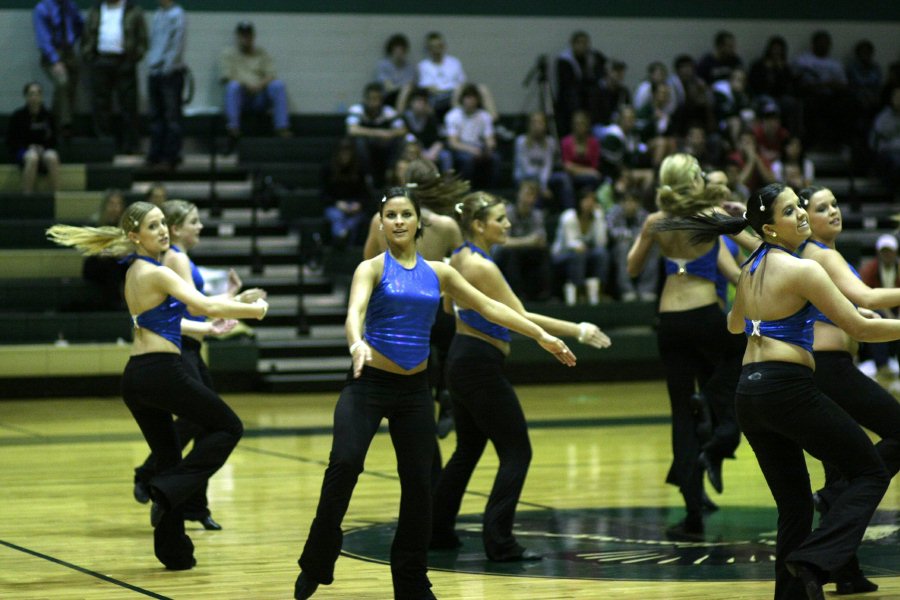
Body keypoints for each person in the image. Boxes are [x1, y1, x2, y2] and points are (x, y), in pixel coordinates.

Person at [292, 187, 576, 600]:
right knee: (345, 465)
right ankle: (317, 562)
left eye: (406, 214)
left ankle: (411, 583)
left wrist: (541, 335)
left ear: (418, 221)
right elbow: (354, 313)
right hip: (367, 384)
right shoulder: (370, 268)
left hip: (414, 391)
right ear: (381, 222)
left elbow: (490, 307)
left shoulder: (440, 273)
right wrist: (356, 342)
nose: (399, 222)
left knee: (420, 487)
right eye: (391, 215)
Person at [655, 182, 898, 600]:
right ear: (770, 228)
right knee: (869, 471)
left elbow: (734, 325)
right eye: (791, 211)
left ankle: (792, 593)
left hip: (749, 395)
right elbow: (861, 328)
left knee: (795, 505)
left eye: (800, 206)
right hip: (788, 390)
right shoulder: (804, 269)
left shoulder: (751, 267)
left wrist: (764, 316)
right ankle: (816, 557)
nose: (802, 214)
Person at [47, 201, 268, 570]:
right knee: (229, 426)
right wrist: (255, 311)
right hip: (163, 372)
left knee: (168, 459)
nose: (163, 230)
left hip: (138, 376)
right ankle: (167, 490)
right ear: (135, 236)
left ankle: (174, 552)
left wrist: (209, 327)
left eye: (164, 223)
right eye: (154, 226)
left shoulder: (135, 272)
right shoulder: (154, 272)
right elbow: (204, 304)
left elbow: (172, 321)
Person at [431, 190, 610, 561]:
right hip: (479, 365)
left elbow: (449, 308)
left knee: (467, 449)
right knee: (517, 451)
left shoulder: (459, 259)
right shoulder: (482, 266)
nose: (509, 224)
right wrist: (576, 329)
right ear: (479, 225)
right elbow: (521, 316)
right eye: (501, 218)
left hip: (461, 361)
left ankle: (436, 530)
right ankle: (500, 542)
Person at [626, 154, 745, 540]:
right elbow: (743, 259)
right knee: (738, 359)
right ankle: (710, 409)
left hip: (670, 323)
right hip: (705, 315)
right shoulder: (709, 215)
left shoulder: (656, 221)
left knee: (680, 414)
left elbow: (631, 268)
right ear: (693, 179)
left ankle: (692, 515)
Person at [132, 199, 266, 531]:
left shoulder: (179, 260)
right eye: (194, 221)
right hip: (181, 350)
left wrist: (232, 298)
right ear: (177, 228)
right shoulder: (173, 260)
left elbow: (196, 306)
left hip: (191, 347)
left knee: (206, 424)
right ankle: (158, 481)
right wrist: (244, 307)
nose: (200, 226)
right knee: (205, 422)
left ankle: (191, 503)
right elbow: (191, 310)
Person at [796, 187, 900, 594]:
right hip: (831, 369)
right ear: (806, 219)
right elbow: (867, 294)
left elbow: (847, 304)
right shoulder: (822, 254)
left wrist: (861, 311)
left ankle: (843, 570)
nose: (833, 211)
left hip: (819, 370)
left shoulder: (808, 254)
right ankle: (839, 493)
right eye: (821, 208)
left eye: (834, 204)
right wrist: (866, 306)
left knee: (838, 463)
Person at [80, 0, 147, 154]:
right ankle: (103, 145)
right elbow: (86, 36)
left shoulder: (133, 10)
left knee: (128, 105)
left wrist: (134, 59)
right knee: (100, 104)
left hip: (124, 60)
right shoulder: (95, 10)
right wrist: (89, 56)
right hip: (100, 60)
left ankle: (130, 146)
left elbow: (142, 38)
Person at [219, 21, 291, 149]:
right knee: (232, 87)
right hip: (242, 97)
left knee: (278, 85)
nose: (246, 38)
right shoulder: (228, 54)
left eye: (249, 35)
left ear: (253, 36)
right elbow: (226, 77)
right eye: (243, 35)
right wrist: (245, 84)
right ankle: (233, 129)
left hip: (259, 95)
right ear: (238, 36)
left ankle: (282, 127)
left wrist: (260, 85)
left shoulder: (261, 53)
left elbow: (271, 74)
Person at [493, 180, 553, 301]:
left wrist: (524, 242)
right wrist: (527, 241)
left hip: (527, 251)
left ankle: (544, 295)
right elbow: (503, 242)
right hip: (508, 253)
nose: (529, 198)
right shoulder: (507, 212)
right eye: (527, 194)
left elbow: (541, 240)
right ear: (519, 194)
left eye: (533, 195)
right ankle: (516, 296)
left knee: (544, 252)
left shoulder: (537, 215)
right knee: (511, 254)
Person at [33, 0, 84, 137]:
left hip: (70, 51)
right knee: (62, 82)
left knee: (70, 89)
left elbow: (79, 24)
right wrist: (55, 60)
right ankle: (65, 124)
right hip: (52, 53)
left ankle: (53, 123)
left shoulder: (70, 5)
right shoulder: (43, 8)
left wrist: (73, 41)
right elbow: (43, 39)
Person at [552, 186, 609, 306]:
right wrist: (580, 247)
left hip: (585, 252)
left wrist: (600, 218)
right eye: (587, 200)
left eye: (593, 200)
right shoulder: (568, 217)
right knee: (579, 254)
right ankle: (579, 294)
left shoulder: (597, 216)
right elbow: (570, 243)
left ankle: (600, 292)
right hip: (563, 254)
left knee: (602, 253)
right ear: (579, 201)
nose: (590, 203)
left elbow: (601, 242)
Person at [145, 0, 186, 169]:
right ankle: (155, 154)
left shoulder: (178, 15)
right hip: (155, 71)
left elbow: (177, 44)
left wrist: (167, 66)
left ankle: (171, 156)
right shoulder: (158, 14)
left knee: (171, 117)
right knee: (156, 116)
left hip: (170, 73)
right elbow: (153, 42)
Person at [346, 82, 407, 189]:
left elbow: (402, 130)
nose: (374, 102)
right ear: (365, 99)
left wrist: (389, 134)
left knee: (401, 140)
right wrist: (378, 133)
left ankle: (391, 171)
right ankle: (367, 175)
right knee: (359, 141)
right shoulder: (357, 109)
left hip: (384, 145)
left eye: (377, 98)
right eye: (371, 98)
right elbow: (352, 130)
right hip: (366, 147)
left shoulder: (388, 111)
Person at [6, 82, 60, 193]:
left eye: (37, 94)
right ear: (26, 97)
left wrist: (42, 148)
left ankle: (56, 196)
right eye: (31, 94)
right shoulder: (18, 116)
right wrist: (29, 147)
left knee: (53, 157)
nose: (34, 97)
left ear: (41, 97)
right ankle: (27, 196)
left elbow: (54, 139)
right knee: (32, 158)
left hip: (44, 150)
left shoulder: (48, 116)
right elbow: (12, 140)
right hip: (24, 151)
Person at [443, 83, 499, 188]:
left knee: (495, 158)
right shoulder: (453, 115)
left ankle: (492, 190)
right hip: (461, 148)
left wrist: (488, 149)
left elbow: (490, 139)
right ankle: (466, 189)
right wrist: (471, 149)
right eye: (468, 98)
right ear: (462, 99)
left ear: (478, 100)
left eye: (473, 98)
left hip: (479, 147)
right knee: (468, 159)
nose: (471, 101)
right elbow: (453, 143)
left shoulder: (484, 116)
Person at [513, 111, 572, 210]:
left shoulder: (550, 142)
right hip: (523, 177)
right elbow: (526, 168)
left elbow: (547, 166)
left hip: (544, 178)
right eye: (534, 122)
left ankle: (570, 212)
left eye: (540, 122)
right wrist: (541, 187)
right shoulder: (521, 141)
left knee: (563, 178)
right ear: (529, 125)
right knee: (533, 187)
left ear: (545, 125)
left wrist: (543, 184)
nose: (537, 125)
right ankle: (536, 215)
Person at [607, 187, 657, 302]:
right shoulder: (614, 212)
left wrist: (636, 239)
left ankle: (647, 290)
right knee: (623, 246)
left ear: (638, 203)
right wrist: (631, 236)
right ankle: (627, 290)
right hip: (617, 249)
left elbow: (647, 233)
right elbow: (611, 232)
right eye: (627, 201)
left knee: (653, 248)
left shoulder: (644, 214)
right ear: (622, 203)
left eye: (633, 201)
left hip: (638, 247)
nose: (630, 204)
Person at [320, 138, 372, 248]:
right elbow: (323, 194)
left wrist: (359, 205)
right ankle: (342, 237)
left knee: (353, 221)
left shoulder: (360, 169)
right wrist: (337, 203)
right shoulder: (328, 169)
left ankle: (342, 238)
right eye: (342, 153)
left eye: (348, 153)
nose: (345, 156)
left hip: (355, 206)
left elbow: (366, 194)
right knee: (337, 217)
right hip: (335, 205)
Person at [82, 189, 128, 310]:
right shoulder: (95, 223)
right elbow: (97, 252)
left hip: (116, 263)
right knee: (111, 265)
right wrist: (114, 252)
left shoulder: (125, 226)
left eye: (118, 204)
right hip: (95, 263)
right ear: (105, 205)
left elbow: (127, 250)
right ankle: (115, 305)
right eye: (111, 204)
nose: (115, 208)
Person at [555, 30, 606, 136]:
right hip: (570, 100)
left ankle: (594, 126)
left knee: (597, 92)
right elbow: (567, 84)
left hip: (587, 98)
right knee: (573, 95)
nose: (583, 46)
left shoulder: (592, 57)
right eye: (579, 43)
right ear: (573, 44)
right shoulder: (564, 61)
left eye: (585, 43)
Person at [416, 31, 466, 118]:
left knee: (478, 90)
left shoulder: (454, 62)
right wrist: (448, 90)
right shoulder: (423, 65)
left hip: (455, 95)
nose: (436, 49)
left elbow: (462, 82)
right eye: (433, 47)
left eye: (439, 46)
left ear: (443, 46)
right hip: (436, 97)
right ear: (428, 49)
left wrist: (454, 92)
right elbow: (428, 87)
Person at [561, 110, 602, 194]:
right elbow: (567, 166)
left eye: (582, 123)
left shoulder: (594, 143)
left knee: (594, 179)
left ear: (587, 126)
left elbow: (595, 166)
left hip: (588, 177)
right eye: (577, 124)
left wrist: (576, 169)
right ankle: (570, 207)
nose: (579, 126)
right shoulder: (566, 142)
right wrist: (589, 171)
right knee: (565, 179)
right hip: (570, 176)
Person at [375, 33, 415, 107]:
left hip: (407, 98)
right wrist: (402, 88)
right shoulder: (383, 66)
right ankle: (399, 114)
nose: (399, 52)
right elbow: (388, 88)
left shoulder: (409, 67)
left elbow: (410, 86)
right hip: (388, 97)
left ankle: (399, 113)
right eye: (396, 49)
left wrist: (404, 89)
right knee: (405, 90)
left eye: (402, 50)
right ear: (391, 50)